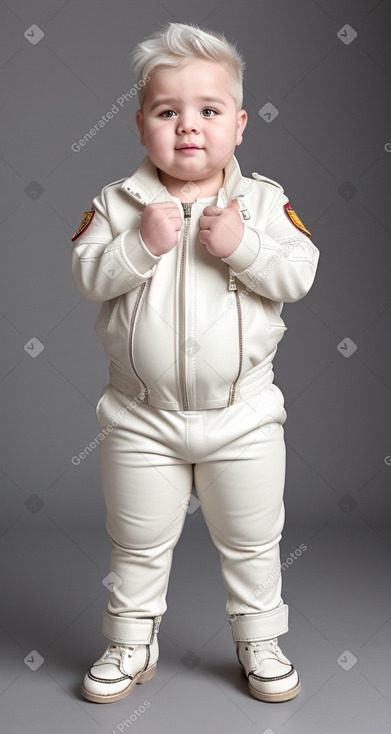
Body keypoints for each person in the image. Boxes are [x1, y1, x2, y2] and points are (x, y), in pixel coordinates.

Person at [71, 21, 320, 705]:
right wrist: (139, 248)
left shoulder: (263, 203)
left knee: (250, 538)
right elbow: (87, 274)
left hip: (242, 416)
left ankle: (259, 638)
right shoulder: (118, 204)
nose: (188, 127)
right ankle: (130, 640)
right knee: (138, 540)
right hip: (139, 417)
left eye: (207, 111)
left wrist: (242, 247)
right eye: (166, 111)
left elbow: (299, 273)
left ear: (238, 124)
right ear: (140, 124)